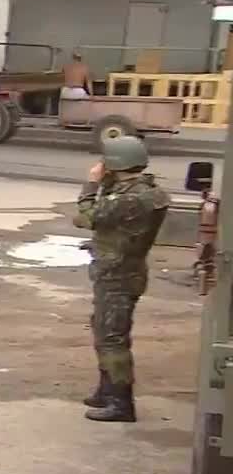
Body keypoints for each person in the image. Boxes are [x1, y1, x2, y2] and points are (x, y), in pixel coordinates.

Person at [72, 136, 170, 423]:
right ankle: (106, 390)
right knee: (105, 331)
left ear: (114, 165)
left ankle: (120, 403)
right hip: (124, 269)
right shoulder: (147, 191)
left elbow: (86, 216)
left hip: (118, 276)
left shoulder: (128, 200)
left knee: (113, 338)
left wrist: (91, 184)